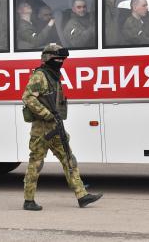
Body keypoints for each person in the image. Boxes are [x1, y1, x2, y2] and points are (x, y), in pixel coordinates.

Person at [22, 43, 102, 211]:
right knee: (36, 163)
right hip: (41, 129)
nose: (60, 62)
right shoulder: (40, 76)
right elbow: (28, 97)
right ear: (48, 58)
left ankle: (82, 195)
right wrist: (46, 114)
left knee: (68, 159)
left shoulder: (53, 75)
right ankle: (29, 200)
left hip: (55, 127)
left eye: (62, 59)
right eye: (57, 59)